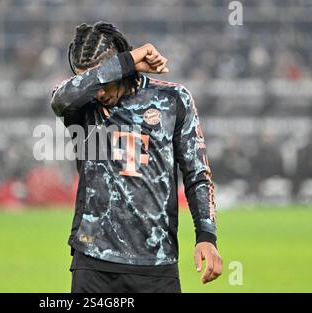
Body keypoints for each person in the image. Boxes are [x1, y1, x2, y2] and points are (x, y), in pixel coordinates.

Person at [50, 21, 222, 293]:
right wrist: (127, 63)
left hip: (156, 264)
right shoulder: (82, 107)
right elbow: (60, 98)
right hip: (94, 263)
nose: (100, 91)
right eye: (93, 82)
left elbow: (197, 173)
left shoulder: (173, 99)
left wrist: (206, 236)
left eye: (106, 81)